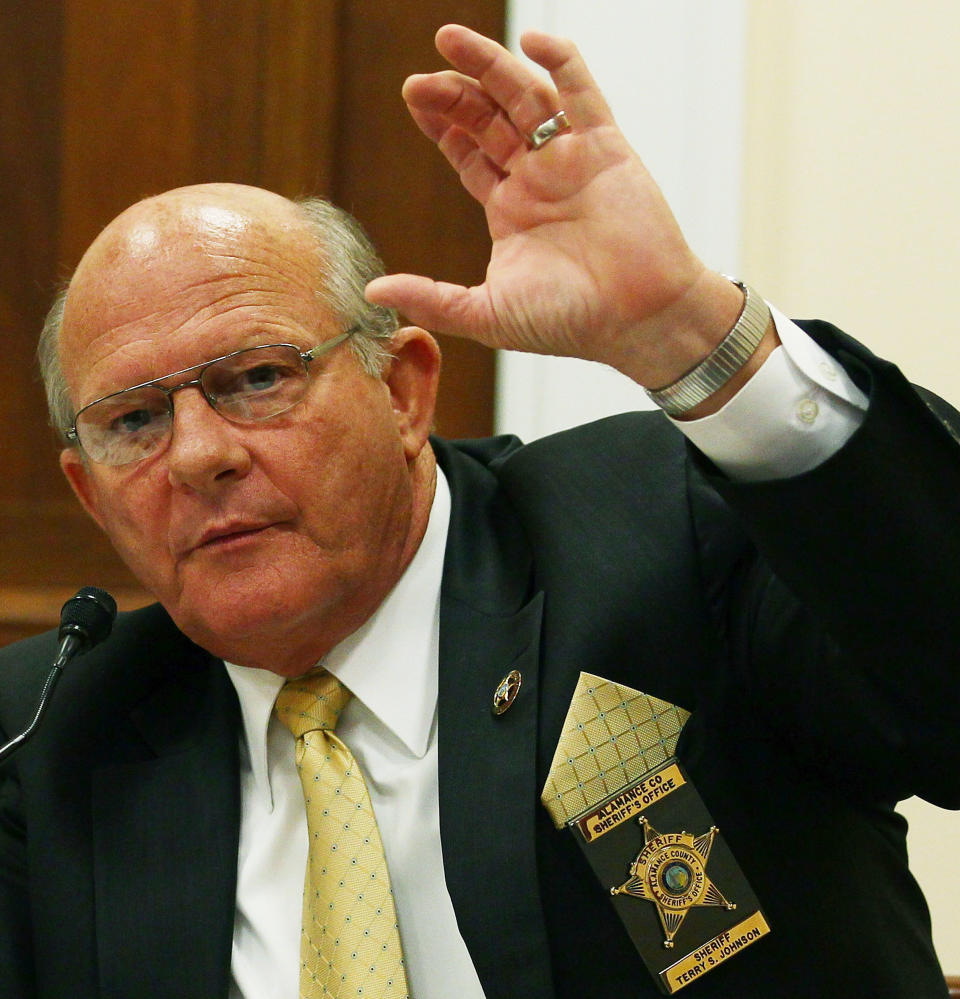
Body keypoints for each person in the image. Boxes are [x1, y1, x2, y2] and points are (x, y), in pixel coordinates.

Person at [0, 23, 958, 999]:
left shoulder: (657, 532)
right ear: (89, 493)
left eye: (255, 378)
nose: (199, 455)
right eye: (133, 421)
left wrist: (689, 331)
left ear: (405, 391)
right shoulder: (48, 738)